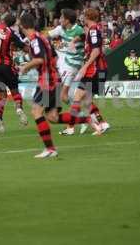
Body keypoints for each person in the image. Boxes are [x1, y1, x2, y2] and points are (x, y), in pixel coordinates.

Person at [18, 14, 99, 159]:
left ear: (23, 26)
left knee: (36, 111)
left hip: (47, 81)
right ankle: (85, 119)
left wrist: (26, 67)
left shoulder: (35, 40)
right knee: (52, 117)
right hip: (54, 78)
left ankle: (50, 149)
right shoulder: (43, 38)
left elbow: (39, 59)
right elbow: (53, 57)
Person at [65, 8, 110, 136]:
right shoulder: (92, 30)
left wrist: (85, 66)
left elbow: (96, 51)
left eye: (84, 16)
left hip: (94, 69)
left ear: (88, 17)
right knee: (87, 101)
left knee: (77, 97)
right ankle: (102, 124)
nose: (82, 18)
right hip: (97, 69)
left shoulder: (94, 30)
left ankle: (70, 127)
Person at [47, 9, 88, 135]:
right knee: (67, 96)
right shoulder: (60, 29)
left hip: (73, 65)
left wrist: (74, 40)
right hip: (67, 64)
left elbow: (84, 35)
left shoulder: (78, 29)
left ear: (67, 20)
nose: (59, 19)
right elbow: (47, 35)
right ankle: (84, 118)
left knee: (63, 95)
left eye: (61, 17)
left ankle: (79, 121)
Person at [0, 14, 28, 132]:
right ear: (12, 24)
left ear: (3, 19)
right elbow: (23, 47)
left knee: (2, 96)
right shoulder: (11, 33)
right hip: (7, 66)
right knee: (14, 90)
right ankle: (19, 109)